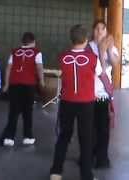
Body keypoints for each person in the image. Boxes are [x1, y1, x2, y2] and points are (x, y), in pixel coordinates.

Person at [50, 24, 98, 180]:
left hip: (67, 101)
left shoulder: (62, 57)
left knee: (64, 135)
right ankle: (86, 175)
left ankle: (56, 172)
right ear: (86, 39)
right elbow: (99, 75)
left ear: (72, 39)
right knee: (86, 139)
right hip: (86, 102)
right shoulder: (92, 58)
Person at [0, 32, 45, 147]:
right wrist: (41, 81)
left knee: (13, 111)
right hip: (29, 85)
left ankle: (9, 138)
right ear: (33, 42)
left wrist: (6, 84)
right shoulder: (37, 52)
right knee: (27, 111)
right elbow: (39, 67)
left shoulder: (14, 52)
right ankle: (28, 136)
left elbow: (8, 68)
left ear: (22, 42)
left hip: (15, 84)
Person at [88, 19, 119, 169]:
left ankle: (102, 158)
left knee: (103, 128)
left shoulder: (111, 47)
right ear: (92, 31)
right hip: (87, 94)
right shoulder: (87, 47)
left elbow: (114, 64)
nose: (99, 31)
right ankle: (88, 156)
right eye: (97, 28)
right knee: (88, 128)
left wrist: (105, 49)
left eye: (102, 29)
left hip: (102, 94)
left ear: (106, 31)